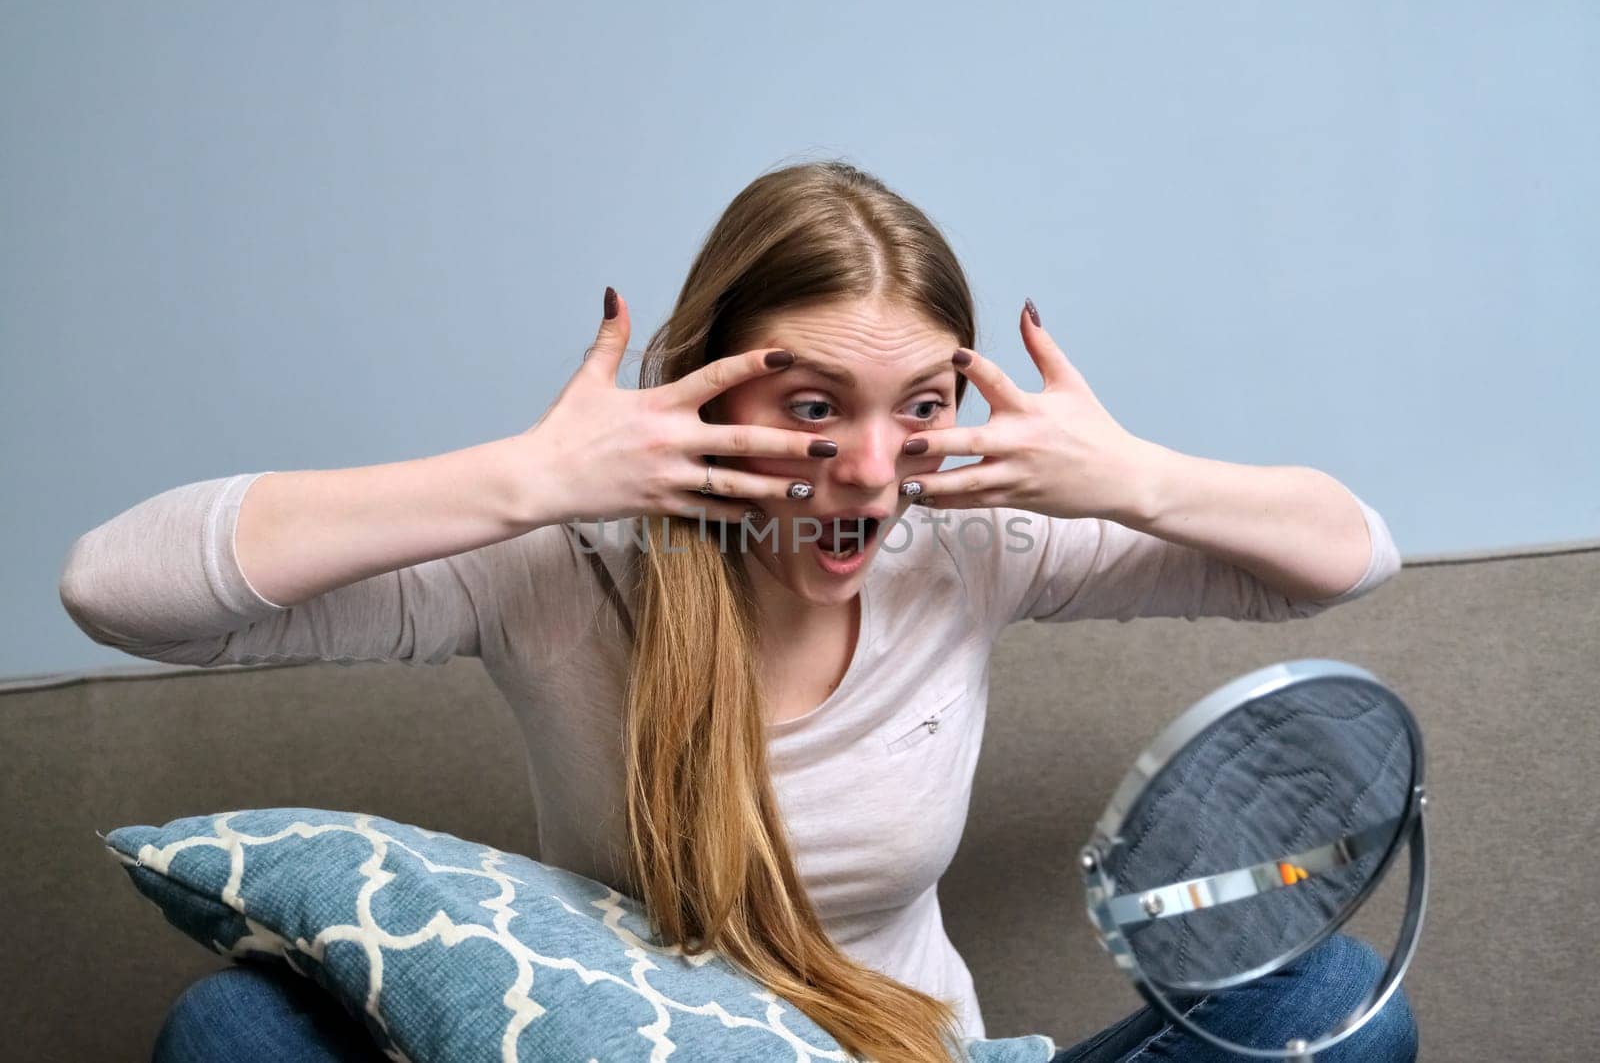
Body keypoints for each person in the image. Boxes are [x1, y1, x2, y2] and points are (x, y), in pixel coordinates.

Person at [60, 160, 1414, 1062]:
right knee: (237, 1025)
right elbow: (117, 590)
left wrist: (1135, 477)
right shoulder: (561, 569)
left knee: (1338, 1004)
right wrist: (524, 479)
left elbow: (1349, 551)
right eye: (814, 406)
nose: (871, 470)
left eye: (920, 405)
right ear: (709, 385)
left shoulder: (971, 542)